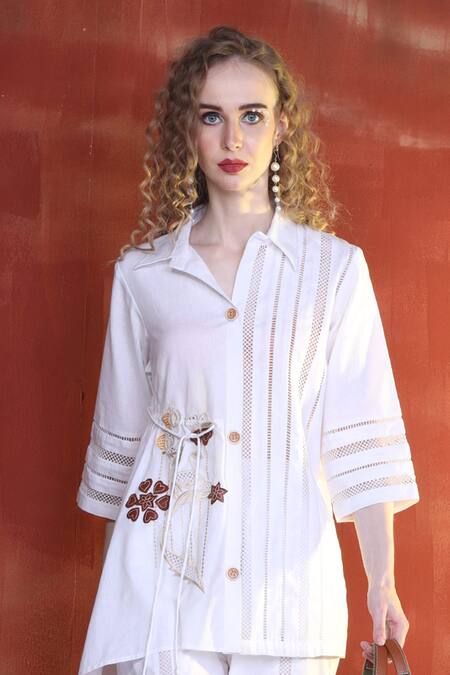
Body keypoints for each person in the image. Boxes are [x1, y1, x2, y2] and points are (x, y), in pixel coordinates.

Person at [76, 25, 420, 675]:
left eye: (252, 116)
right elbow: (120, 452)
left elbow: (361, 440)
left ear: (282, 126)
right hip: (163, 593)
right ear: (189, 129)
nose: (233, 139)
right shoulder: (143, 274)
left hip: (287, 597)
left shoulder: (333, 271)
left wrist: (383, 583)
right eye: (212, 116)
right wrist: (120, 607)